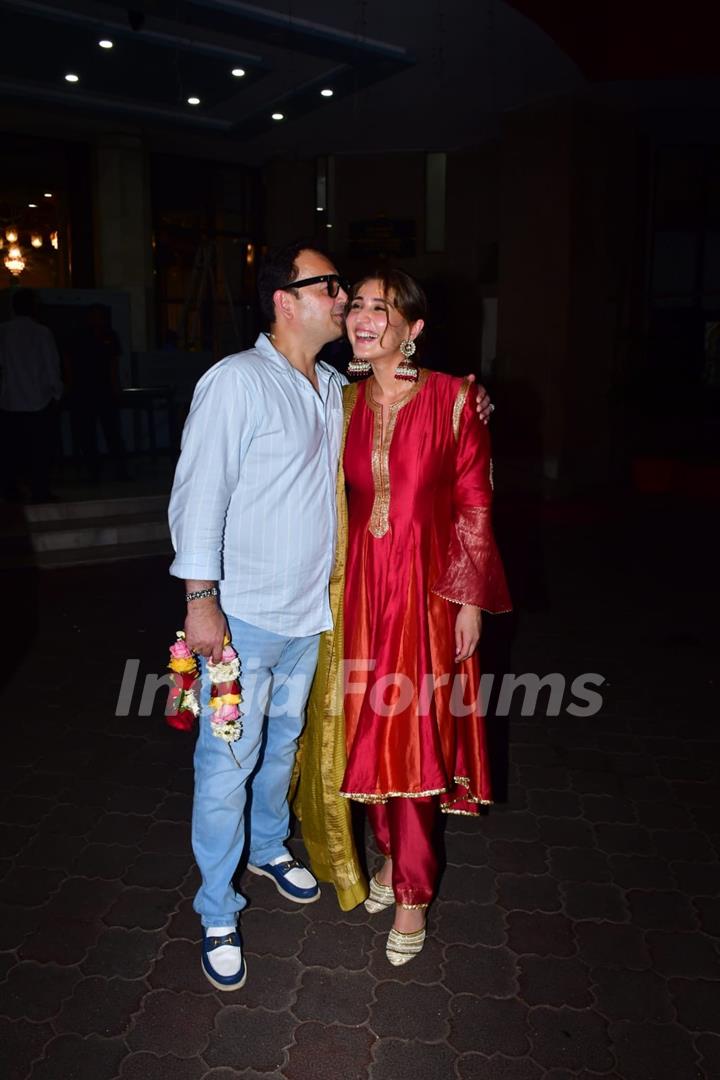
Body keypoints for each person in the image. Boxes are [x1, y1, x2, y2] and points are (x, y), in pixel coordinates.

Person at [168, 243, 493, 991]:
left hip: (328, 615)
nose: (350, 304)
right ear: (288, 300)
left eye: (369, 299)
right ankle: (218, 909)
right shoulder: (241, 382)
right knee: (229, 764)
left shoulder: (323, 385)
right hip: (263, 615)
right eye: (338, 290)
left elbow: (456, 472)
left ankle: (275, 848)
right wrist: (199, 599)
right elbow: (198, 494)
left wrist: (470, 399)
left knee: (294, 745)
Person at [296, 269, 511, 965]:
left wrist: (471, 601)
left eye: (380, 308)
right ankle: (390, 861)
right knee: (367, 735)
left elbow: (475, 507)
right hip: (356, 594)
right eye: (355, 304)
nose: (362, 316)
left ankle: (413, 894)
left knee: (411, 739)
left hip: (427, 597)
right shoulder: (341, 400)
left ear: (412, 330)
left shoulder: (454, 400)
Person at [0, 288, 63, 503]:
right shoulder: (41, 332)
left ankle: (10, 489)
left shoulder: (4, 331)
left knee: (11, 449)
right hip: (38, 400)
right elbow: (50, 365)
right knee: (39, 449)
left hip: (10, 400)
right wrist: (57, 392)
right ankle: (39, 489)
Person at [64, 305, 128, 482]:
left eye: (99, 317)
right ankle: (93, 469)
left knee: (112, 431)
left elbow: (113, 365)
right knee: (88, 433)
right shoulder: (77, 336)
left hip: (104, 390)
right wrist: (69, 384)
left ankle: (120, 468)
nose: (97, 320)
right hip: (83, 390)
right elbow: (68, 361)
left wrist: (116, 387)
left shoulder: (109, 335)